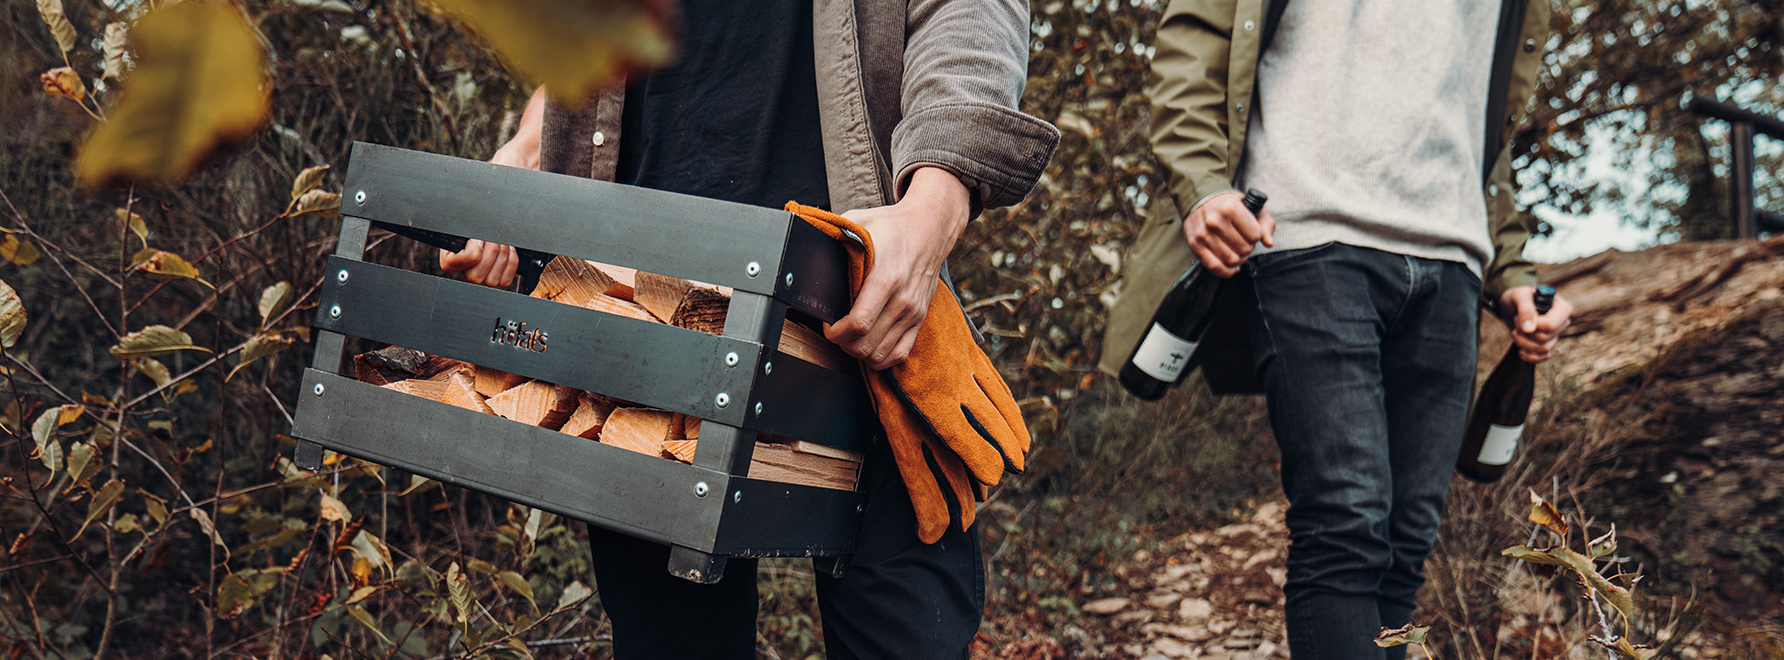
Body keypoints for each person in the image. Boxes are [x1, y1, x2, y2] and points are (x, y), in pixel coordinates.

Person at [440, 1, 1060, 657]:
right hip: (643, 320)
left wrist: (934, 210)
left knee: (905, 634)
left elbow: (968, 14)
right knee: (671, 643)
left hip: (861, 307)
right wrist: (529, 147)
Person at [1099, 0, 1574, 658]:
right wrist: (1202, 184)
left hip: (1456, 259)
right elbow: (1196, 43)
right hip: (1305, 232)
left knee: (1407, 546)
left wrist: (1511, 269)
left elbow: (1483, 122)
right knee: (1346, 523)